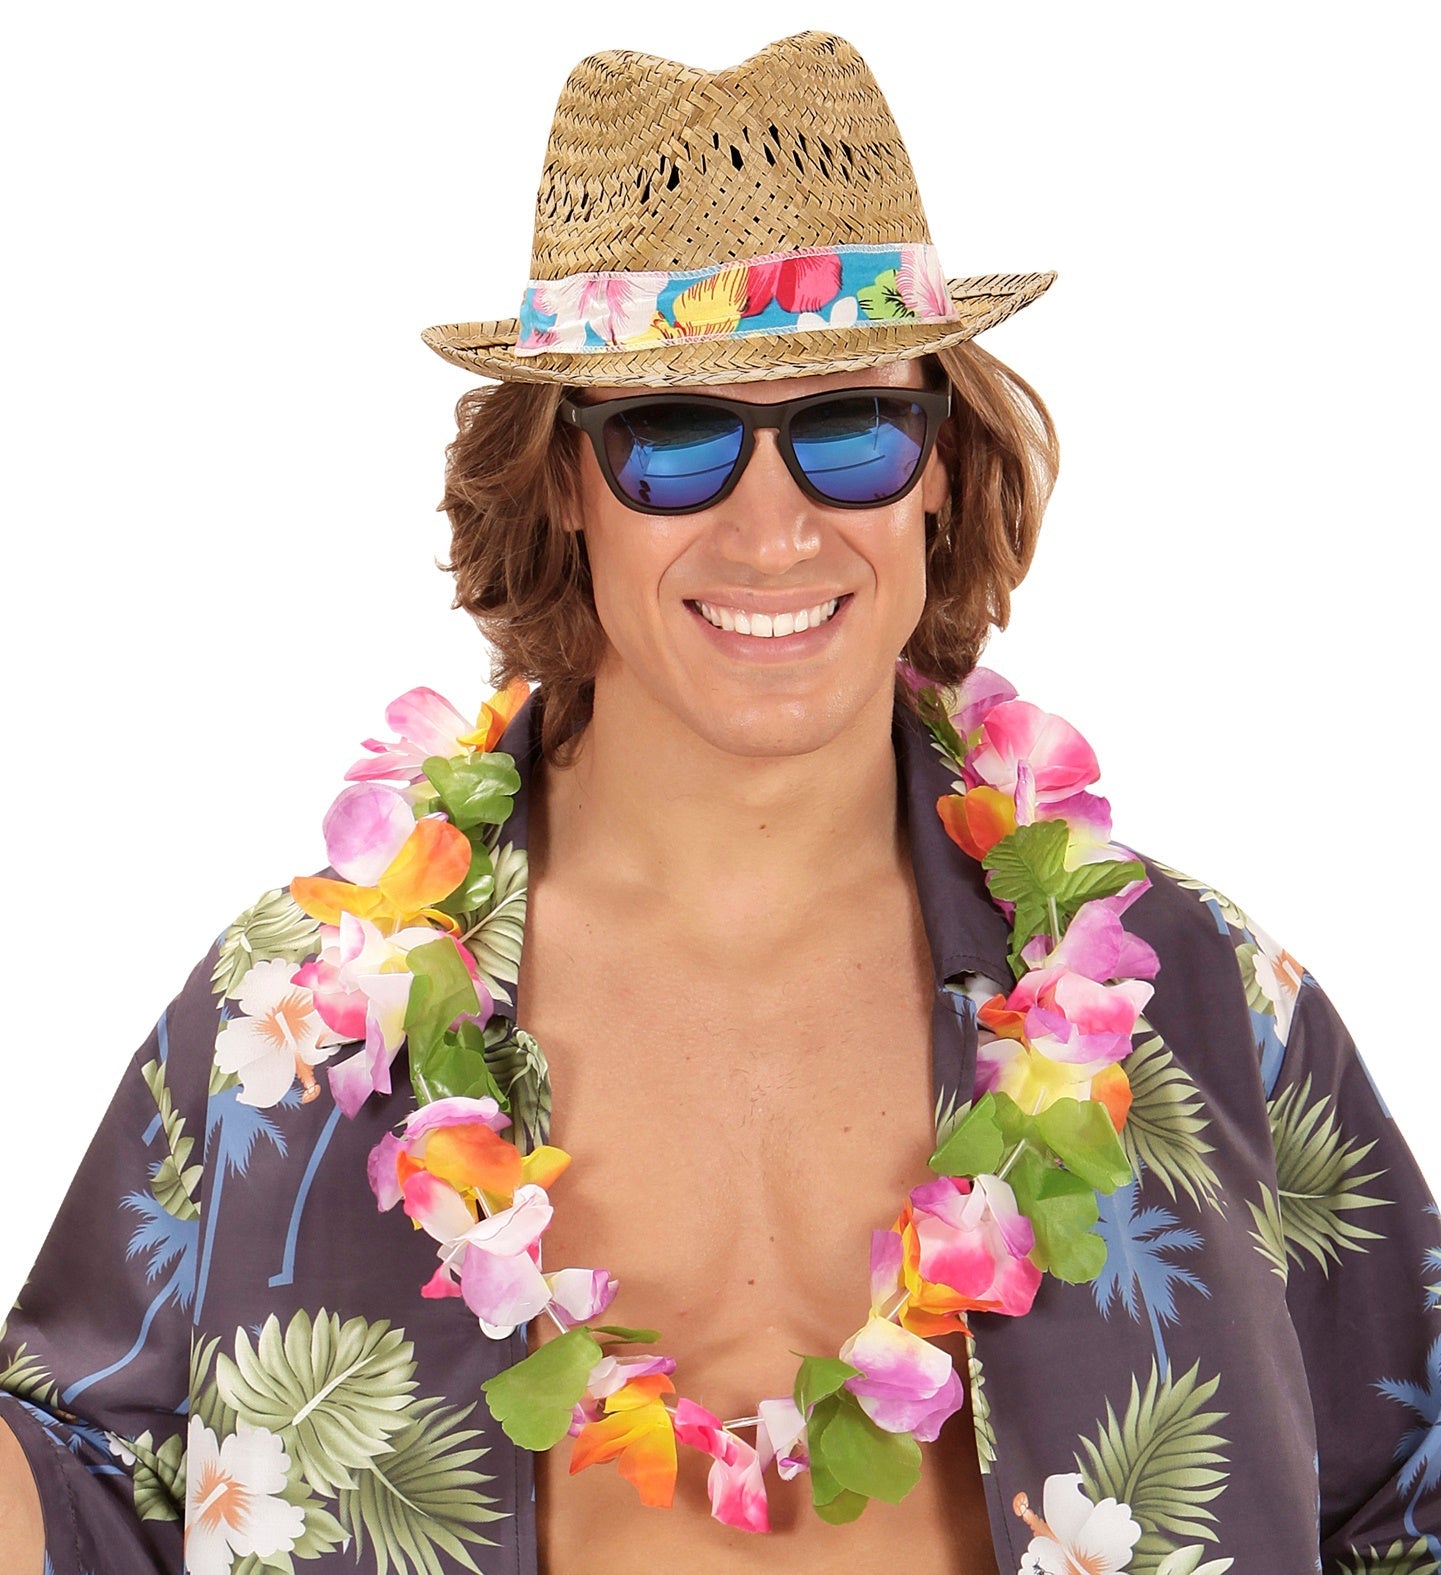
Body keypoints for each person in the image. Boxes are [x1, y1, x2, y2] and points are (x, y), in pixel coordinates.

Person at [2, 29, 1437, 1575]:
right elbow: (87, 1494)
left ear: (937, 463)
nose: (772, 533)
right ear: (563, 481)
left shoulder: (1191, 991)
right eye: (672, 438)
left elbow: (1408, 1484)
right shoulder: (298, 1016)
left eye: (849, 431)